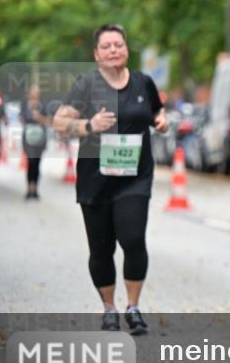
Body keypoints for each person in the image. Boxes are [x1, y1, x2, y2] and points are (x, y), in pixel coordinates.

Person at [52, 24, 167, 334]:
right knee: (101, 248)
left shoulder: (143, 83)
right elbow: (59, 124)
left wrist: (161, 121)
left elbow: (157, 112)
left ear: (127, 49)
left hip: (135, 177)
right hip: (95, 178)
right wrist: (90, 125)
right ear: (96, 54)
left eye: (119, 44)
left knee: (133, 239)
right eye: (107, 46)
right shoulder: (86, 85)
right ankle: (109, 309)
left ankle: (133, 307)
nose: (114, 50)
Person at [21, 84, 51, 199]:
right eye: (33, 93)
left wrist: (39, 118)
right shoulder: (25, 106)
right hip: (28, 139)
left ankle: (35, 189)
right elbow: (22, 119)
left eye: (37, 93)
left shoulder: (43, 106)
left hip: (40, 139)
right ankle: (29, 188)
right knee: (30, 163)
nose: (35, 95)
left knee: (37, 164)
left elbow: (48, 121)